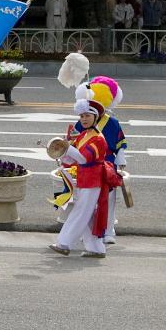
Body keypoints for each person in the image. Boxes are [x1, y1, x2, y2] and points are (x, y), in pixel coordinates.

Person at [49, 95, 114, 258]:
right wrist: (61, 153)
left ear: (95, 117)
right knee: (87, 215)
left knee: (80, 213)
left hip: (93, 180)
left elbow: (83, 158)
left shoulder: (98, 139)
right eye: (82, 116)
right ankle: (96, 249)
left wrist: (66, 147)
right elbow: (72, 158)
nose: (84, 119)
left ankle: (64, 244)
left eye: (87, 116)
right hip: (85, 179)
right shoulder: (84, 136)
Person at [73, 78, 127, 245]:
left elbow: (120, 142)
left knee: (108, 199)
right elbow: (73, 140)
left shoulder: (113, 123)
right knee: (87, 202)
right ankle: (88, 232)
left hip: (107, 165)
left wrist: (121, 157)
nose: (85, 117)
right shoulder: (83, 121)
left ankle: (108, 230)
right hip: (87, 166)